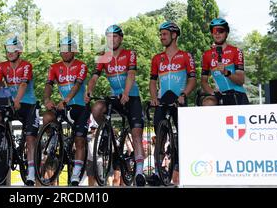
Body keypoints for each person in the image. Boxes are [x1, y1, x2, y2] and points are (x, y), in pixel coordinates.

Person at [85, 24, 146, 187]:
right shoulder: (103, 56)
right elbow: (94, 77)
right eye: (109, 37)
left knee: (137, 134)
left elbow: (131, 74)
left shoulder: (130, 54)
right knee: (97, 108)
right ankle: (108, 132)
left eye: (115, 37)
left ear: (121, 38)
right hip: (115, 97)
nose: (112, 40)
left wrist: (126, 92)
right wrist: (88, 91)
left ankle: (139, 171)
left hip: (131, 96)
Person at [0, 37, 39, 186]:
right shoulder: (2, 66)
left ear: (19, 51)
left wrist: (17, 100)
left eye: (13, 50)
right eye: (7, 50)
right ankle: (5, 141)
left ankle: (31, 173)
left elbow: (23, 84)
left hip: (27, 104)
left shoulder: (26, 65)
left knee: (29, 138)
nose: (10, 53)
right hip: (12, 103)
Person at [149, 21, 196, 186]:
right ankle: (157, 171)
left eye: (165, 34)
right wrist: (154, 97)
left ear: (174, 35)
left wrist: (184, 94)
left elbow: (192, 79)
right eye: (160, 34)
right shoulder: (157, 58)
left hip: (179, 98)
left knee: (182, 136)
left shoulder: (185, 56)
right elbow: (153, 81)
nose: (161, 37)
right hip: (163, 99)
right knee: (159, 134)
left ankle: (181, 168)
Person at [43, 37, 90, 186]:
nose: (65, 52)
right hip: (64, 106)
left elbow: (77, 85)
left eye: (68, 49)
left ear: (74, 50)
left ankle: (76, 173)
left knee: (79, 140)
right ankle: (53, 141)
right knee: (47, 118)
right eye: (62, 49)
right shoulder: (54, 67)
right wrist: (47, 99)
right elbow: (49, 84)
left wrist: (66, 100)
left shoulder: (81, 65)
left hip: (80, 107)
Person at [201, 18, 249, 105]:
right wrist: (212, 92)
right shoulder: (206, 55)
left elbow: (241, 80)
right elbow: (203, 81)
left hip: (238, 94)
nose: (217, 33)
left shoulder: (236, 51)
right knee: (207, 102)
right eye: (214, 30)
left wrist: (226, 72)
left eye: (220, 30)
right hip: (220, 95)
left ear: (226, 33)